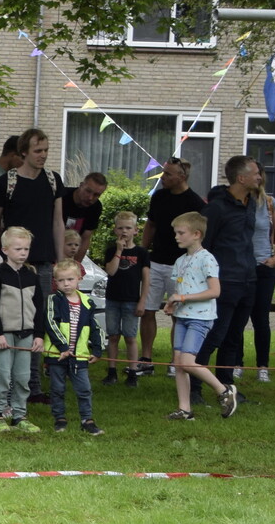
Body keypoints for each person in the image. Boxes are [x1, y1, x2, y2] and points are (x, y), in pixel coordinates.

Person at [0, 128, 63, 400]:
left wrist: (61, 260)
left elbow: (58, 221)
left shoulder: (53, 180)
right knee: (9, 320)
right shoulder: (6, 182)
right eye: (37, 151)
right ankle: (6, 384)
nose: (43, 155)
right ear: (23, 152)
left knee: (36, 319)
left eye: (46, 150)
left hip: (42, 261)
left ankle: (33, 385)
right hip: (11, 263)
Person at [164, 212, 239, 422]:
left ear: (196, 234)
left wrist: (182, 298)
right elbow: (181, 288)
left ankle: (224, 390)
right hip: (182, 317)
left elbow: (215, 291)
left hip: (200, 318)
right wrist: (173, 303)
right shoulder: (180, 260)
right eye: (176, 233)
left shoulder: (207, 259)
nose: (176, 237)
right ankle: (184, 409)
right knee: (179, 363)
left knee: (188, 362)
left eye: (181, 233)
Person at [138, 156, 205, 377]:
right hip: (156, 262)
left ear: (181, 177)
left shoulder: (195, 203)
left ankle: (176, 360)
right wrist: (142, 252)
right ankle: (146, 359)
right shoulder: (159, 197)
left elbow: (199, 237)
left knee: (178, 314)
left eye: (168, 173)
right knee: (148, 310)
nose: (163, 177)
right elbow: (151, 225)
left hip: (181, 266)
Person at [197, 155, 259, 390]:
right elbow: (203, 245)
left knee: (234, 337)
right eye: (255, 174)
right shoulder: (216, 208)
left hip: (248, 280)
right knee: (214, 335)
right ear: (241, 178)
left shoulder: (251, 203)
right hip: (224, 282)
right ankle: (194, 386)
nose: (260, 177)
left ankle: (226, 386)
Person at [0, 226, 45, 432]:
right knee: (2, 375)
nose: (23, 253)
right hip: (5, 334)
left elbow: (39, 307)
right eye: (18, 249)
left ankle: (19, 415)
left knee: (22, 376)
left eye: (26, 249)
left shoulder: (32, 276)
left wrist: (39, 335)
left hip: (27, 334)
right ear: (5, 250)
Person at [46, 258, 104, 435]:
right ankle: (60, 418)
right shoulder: (53, 300)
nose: (66, 284)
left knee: (84, 389)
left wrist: (97, 350)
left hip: (79, 356)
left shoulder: (87, 302)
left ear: (79, 279)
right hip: (57, 355)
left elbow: (95, 328)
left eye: (70, 279)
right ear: (55, 282)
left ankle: (87, 420)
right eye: (61, 280)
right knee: (57, 389)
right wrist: (63, 347)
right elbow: (50, 323)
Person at [246, 161, 275, 383]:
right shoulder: (236, 202)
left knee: (261, 319)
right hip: (240, 268)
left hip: (263, 267)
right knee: (236, 318)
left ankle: (262, 366)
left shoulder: (271, 203)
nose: (258, 177)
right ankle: (235, 363)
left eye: (260, 173)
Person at [101, 212, 147, 385]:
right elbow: (111, 271)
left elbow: (146, 279)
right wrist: (119, 250)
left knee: (130, 337)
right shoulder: (111, 251)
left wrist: (142, 300)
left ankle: (132, 372)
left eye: (128, 228)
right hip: (113, 299)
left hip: (131, 300)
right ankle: (112, 371)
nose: (124, 231)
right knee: (113, 336)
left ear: (135, 230)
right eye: (120, 228)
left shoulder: (141, 253)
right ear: (115, 230)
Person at [61, 172, 108, 263]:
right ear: (81, 185)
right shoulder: (62, 197)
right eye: (88, 191)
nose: (90, 198)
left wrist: (76, 265)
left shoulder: (96, 207)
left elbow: (86, 238)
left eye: (96, 195)